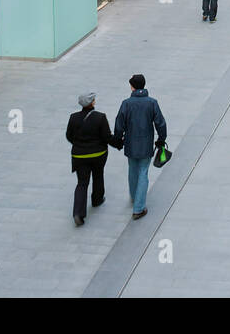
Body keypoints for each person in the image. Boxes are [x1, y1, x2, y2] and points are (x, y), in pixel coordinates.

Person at [111, 73, 167, 220]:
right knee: (143, 172)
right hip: (146, 143)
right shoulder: (152, 102)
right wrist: (161, 138)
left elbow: (119, 123)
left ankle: (135, 197)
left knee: (132, 169)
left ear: (132, 86)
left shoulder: (126, 103)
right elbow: (160, 122)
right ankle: (139, 208)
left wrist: (118, 138)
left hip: (130, 143)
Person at [66, 92, 113, 226]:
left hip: (79, 156)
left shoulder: (73, 118)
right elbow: (107, 137)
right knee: (98, 175)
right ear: (92, 103)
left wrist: (79, 145)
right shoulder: (100, 117)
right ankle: (97, 199)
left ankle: (78, 213)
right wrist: (119, 144)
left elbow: (69, 136)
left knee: (82, 183)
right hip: (98, 154)